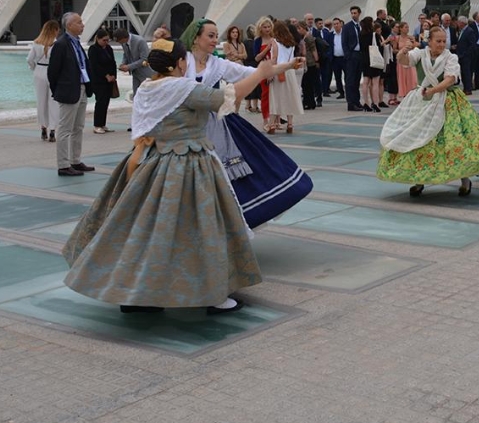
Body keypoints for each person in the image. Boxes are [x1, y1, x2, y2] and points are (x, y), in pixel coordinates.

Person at [61, 38, 303, 315]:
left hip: (148, 165)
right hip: (189, 167)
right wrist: (260, 74)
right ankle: (212, 295)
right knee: (204, 230)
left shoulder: (146, 89)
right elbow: (227, 99)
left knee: (146, 232)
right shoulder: (185, 88)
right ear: (179, 63)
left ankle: (138, 296)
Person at [182, 18, 313, 227]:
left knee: (237, 173)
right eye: (210, 35)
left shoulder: (217, 63)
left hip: (217, 126)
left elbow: (253, 73)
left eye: (216, 35)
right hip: (186, 129)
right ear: (195, 38)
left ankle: (226, 224)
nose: (215, 40)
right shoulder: (182, 61)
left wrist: (288, 65)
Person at [378, 27, 479, 197]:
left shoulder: (450, 57)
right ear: (430, 41)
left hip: (446, 101)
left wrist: (433, 91)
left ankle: (465, 180)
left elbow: (450, 79)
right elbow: (404, 61)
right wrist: (404, 50)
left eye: (444, 41)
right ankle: (420, 180)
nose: (442, 44)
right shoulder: (420, 54)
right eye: (438, 41)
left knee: (454, 143)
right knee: (418, 140)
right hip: (422, 100)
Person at [48, 12, 95, 176]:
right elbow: (52, 72)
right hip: (69, 91)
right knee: (65, 128)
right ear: (69, 25)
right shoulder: (61, 44)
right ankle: (63, 164)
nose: (82, 25)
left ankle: (75, 160)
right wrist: (58, 91)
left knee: (78, 127)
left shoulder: (76, 43)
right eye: (79, 22)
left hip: (81, 88)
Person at [267, 20, 304, 133]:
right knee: (290, 97)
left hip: (279, 70)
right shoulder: (291, 43)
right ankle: (290, 124)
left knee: (275, 97)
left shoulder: (274, 42)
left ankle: (272, 125)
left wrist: (270, 73)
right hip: (290, 70)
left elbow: (274, 58)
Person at [27, 20, 61, 142]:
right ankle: (52, 129)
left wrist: (33, 68)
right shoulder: (56, 44)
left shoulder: (36, 43)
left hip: (39, 71)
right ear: (55, 30)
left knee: (41, 101)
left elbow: (29, 59)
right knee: (53, 102)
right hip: (51, 72)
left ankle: (43, 127)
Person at [87, 30, 118, 134]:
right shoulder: (93, 49)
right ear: (98, 39)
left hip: (109, 80)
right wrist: (106, 75)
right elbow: (94, 66)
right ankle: (97, 125)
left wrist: (113, 75)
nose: (106, 42)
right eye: (104, 40)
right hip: (98, 80)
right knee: (100, 101)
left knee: (106, 102)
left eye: (107, 40)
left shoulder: (108, 48)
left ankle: (102, 124)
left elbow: (113, 62)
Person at [114, 28, 152, 99]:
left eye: (119, 41)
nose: (119, 43)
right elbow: (126, 54)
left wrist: (128, 67)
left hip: (145, 73)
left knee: (147, 95)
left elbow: (145, 59)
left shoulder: (140, 41)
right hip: (135, 72)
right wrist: (123, 63)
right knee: (136, 95)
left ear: (124, 38)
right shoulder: (124, 43)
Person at [360, 19, 386, 111]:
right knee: (375, 82)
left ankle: (366, 103)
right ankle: (375, 103)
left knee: (365, 82)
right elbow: (379, 46)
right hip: (374, 59)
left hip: (364, 60)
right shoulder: (374, 35)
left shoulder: (361, 35)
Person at [343, 6, 365, 110]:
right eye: (352, 13)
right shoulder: (347, 27)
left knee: (357, 79)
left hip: (360, 55)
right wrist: (348, 55)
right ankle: (350, 103)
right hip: (352, 55)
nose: (353, 15)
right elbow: (344, 42)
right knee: (350, 80)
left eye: (355, 13)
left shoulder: (361, 26)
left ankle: (357, 101)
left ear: (359, 13)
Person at [251, 17, 274, 116]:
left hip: (274, 68)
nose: (267, 29)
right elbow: (256, 58)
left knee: (275, 95)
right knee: (265, 94)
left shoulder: (275, 39)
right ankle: (266, 116)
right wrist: (267, 49)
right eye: (265, 27)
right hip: (263, 69)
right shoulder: (258, 40)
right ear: (260, 28)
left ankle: (275, 117)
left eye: (269, 27)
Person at [455, 15, 479, 94]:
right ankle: (465, 87)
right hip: (461, 55)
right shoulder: (462, 31)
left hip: (466, 56)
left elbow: (472, 44)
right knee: (463, 72)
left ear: (462, 23)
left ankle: (468, 89)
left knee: (467, 72)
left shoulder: (469, 31)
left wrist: (466, 54)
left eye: (458, 22)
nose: (457, 24)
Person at [329, 18, 347, 99]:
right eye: (334, 24)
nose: (336, 25)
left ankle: (348, 91)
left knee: (348, 75)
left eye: (337, 23)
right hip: (335, 59)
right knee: (337, 77)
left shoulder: (345, 33)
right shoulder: (331, 35)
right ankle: (341, 92)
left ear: (340, 24)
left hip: (345, 58)